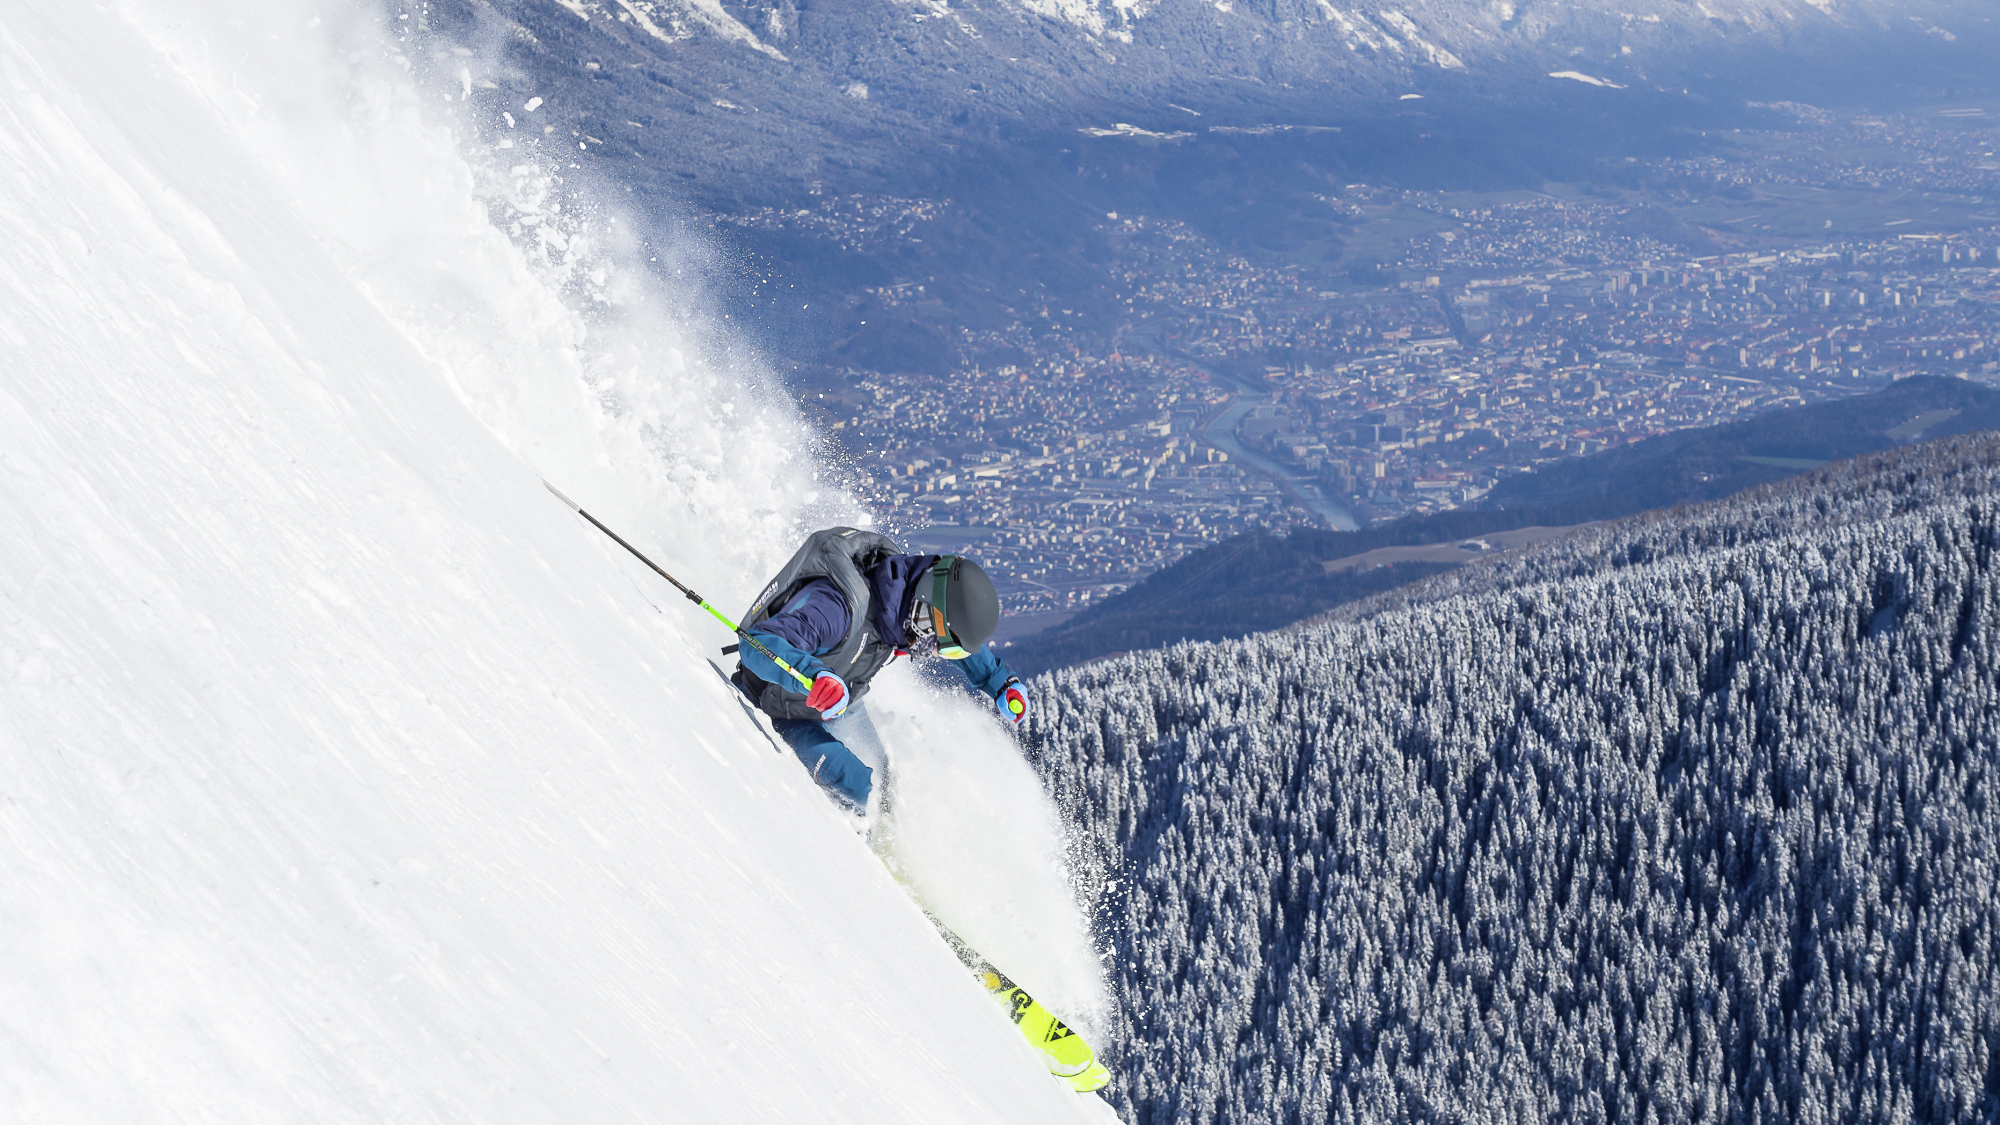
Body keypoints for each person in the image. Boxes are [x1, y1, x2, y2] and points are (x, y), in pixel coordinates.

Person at [729, 527, 1031, 823]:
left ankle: (882, 850)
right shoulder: (837, 610)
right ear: (927, 609)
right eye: (942, 646)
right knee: (859, 788)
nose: (935, 652)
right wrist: (814, 675)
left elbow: (955, 636)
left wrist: (998, 682)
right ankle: (844, 863)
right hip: (778, 708)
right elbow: (757, 643)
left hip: (838, 701)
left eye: (948, 650)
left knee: (886, 785)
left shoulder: (902, 610)